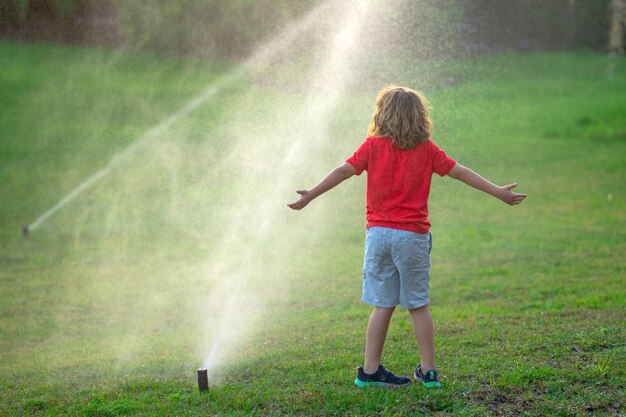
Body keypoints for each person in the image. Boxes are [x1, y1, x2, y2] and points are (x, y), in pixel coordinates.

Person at [287, 85, 527, 388]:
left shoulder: (372, 147)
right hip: (411, 237)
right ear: (419, 117)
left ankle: (370, 371)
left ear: (382, 115)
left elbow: (343, 171)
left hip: (378, 236)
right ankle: (428, 372)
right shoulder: (426, 149)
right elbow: (460, 172)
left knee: (382, 304)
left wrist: (311, 193)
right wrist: (498, 192)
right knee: (418, 305)